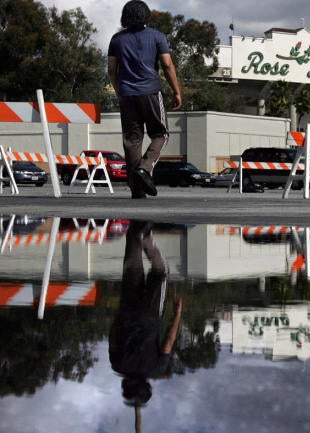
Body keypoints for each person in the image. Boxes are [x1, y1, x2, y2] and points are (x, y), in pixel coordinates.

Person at [108, 0, 182, 199]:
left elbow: (111, 70)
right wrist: (177, 92)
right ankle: (145, 168)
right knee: (161, 133)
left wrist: (120, 90)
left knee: (132, 140)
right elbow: (167, 65)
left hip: (126, 94)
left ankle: (137, 189)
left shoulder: (117, 39)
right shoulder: (157, 36)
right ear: (146, 16)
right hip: (150, 92)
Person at [109, 220, 181, 410]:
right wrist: (119, 312)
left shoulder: (157, 369)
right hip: (127, 312)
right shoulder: (117, 365)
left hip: (150, 315)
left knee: (161, 272)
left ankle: (147, 237)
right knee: (132, 269)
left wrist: (177, 314)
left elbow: (168, 341)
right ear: (126, 387)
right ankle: (136, 231)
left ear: (147, 386)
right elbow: (113, 336)